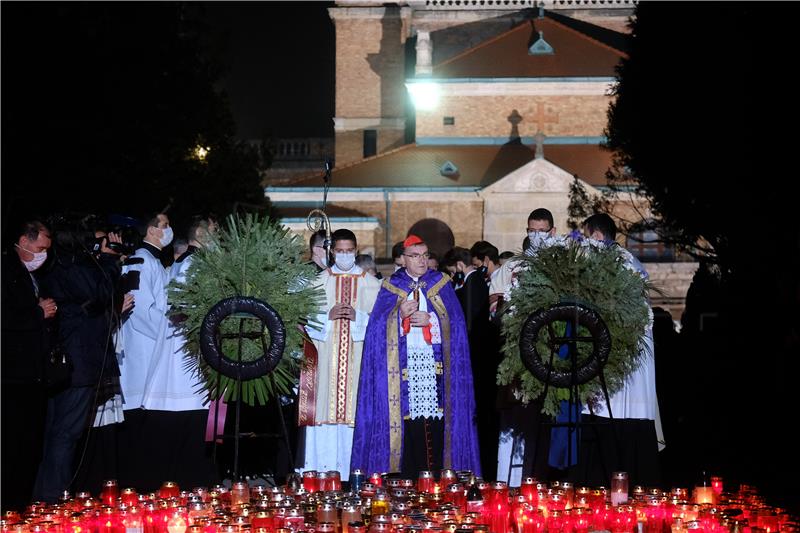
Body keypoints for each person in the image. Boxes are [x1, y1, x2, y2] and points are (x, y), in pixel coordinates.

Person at [350, 235, 481, 477]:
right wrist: (398, 317)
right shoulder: (391, 286)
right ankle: (407, 480)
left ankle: (440, 479)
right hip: (403, 372)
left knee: (436, 425)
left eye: (425, 255)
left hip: (435, 370)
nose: (421, 261)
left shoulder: (441, 282)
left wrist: (432, 320)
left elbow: (458, 325)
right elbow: (376, 329)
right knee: (407, 426)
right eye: (415, 256)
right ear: (403, 259)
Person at [32, 220, 132, 502]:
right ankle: (52, 499)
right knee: (64, 436)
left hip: (72, 363)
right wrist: (110, 261)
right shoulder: (69, 269)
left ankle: (49, 496)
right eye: (97, 241)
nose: (101, 246)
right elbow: (102, 291)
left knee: (60, 436)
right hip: (76, 365)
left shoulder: (68, 268)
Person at [117, 211, 213, 490]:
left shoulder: (156, 262)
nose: (169, 229)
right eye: (164, 225)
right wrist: (170, 337)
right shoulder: (141, 261)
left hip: (155, 350)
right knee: (142, 428)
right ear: (150, 230)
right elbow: (141, 311)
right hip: (144, 353)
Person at [574, 213, 664, 486]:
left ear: (598, 237)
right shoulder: (627, 261)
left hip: (621, 351)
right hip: (622, 350)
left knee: (614, 409)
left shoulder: (616, 263)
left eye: (587, 237)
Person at [297, 229, 382, 479]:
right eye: (340, 251)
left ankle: (352, 473)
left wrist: (359, 318)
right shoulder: (318, 281)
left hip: (357, 365)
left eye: (350, 251)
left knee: (354, 411)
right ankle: (320, 471)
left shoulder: (371, 283)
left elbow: (381, 323)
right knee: (324, 409)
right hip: (325, 365)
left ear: (356, 250)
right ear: (332, 251)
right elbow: (305, 320)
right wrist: (327, 317)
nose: (345, 255)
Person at [491, 208, 557, 485]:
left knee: (545, 420)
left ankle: (540, 478)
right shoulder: (512, 266)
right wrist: (507, 305)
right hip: (516, 352)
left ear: (552, 232)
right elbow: (494, 303)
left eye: (542, 231)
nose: (536, 236)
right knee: (515, 416)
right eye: (532, 231)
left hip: (551, 353)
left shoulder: (560, 265)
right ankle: (509, 481)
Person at [1, 218, 56, 509]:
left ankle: (21, 507)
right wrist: (37, 314)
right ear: (23, 241)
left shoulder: (33, 273)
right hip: (10, 377)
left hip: (35, 376)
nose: (43, 254)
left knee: (31, 448)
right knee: (11, 448)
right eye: (39, 247)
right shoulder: (5, 269)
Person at [444, 246, 494, 479]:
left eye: (452, 271)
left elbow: (470, 324)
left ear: (460, 266)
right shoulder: (473, 282)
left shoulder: (473, 284)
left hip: (475, 356)